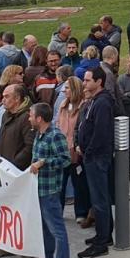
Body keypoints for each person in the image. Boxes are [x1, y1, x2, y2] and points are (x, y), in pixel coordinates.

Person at [0, 84, 34, 258]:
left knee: (22, 212)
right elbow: (3, 138)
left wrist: (13, 167)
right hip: (4, 170)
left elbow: (29, 147)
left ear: (18, 99)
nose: (3, 99)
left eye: (7, 96)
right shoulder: (7, 115)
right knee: (6, 210)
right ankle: (7, 244)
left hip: (18, 173)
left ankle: (26, 250)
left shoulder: (27, 117)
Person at [27, 102, 71, 258]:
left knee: (56, 228)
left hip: (50, 189)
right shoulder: (39, 134)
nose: (28, 118)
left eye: (31, 115)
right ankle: (46, 257)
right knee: (45, 225)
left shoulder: (55, 136)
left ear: (39, 118)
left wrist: (44, 162)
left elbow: (65, 160)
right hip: (39, 188)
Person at [76, 66, 115, 258]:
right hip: (92, 156)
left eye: (87, 80)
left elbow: (101, 133)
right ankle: (105, 234)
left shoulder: (102, 103)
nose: (84, 83)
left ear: (99, 81)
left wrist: (87, 151)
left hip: (97, 158)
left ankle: (102, 242)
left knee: (100, 200)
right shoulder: (93, 101)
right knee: (99, 198)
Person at [55, 76, 90, 226]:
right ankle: (58, 211)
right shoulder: (63, 105)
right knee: (60, 184)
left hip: (76, 151)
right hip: (62, 151)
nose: (64, 90)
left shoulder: (84, 106)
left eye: (68, 88)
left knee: (79, 184)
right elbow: (58, 125)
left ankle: (81, 212)